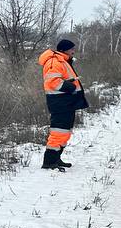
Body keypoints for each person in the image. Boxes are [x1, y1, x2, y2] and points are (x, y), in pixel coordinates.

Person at [38, 39, 89, 171]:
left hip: (66, 101)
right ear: (65, 49)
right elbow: (52, 81)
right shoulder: (54, 61)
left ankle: (56, 158)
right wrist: (70, 86)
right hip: (59, 102)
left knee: (64, 132)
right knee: (58, 132)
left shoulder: (62, 60)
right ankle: (49, 161)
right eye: (72, 48)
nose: (74, 51)